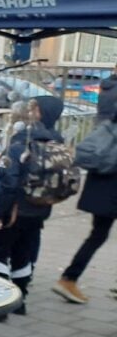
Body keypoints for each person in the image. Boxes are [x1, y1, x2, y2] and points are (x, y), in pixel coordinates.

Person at [0, 96, 66, 317]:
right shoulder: (57, 143)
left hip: (14, 210)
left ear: (37, 112)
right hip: (40, 208)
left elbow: (8, 182)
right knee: (24, 254)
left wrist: (0, 214)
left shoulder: (21, 143)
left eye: (32, 108)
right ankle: (20, 300)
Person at [56, 105, 117, 304]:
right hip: (111, 189)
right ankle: (69, 278)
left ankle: (69, 278)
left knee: (97, 235)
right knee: (98, 235)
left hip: (101, 190)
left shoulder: (108, 126)